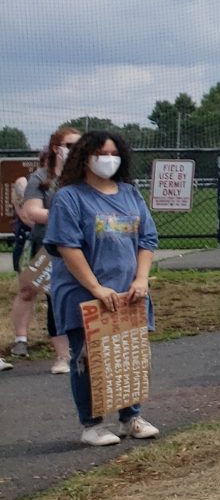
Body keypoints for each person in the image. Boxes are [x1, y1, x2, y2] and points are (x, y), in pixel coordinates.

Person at [43, 131, 161, 446]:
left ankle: (130, 417)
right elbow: (68, 247)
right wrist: (95, 287)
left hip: (128, 293)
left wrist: (141, 278)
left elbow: (147, 239)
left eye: (113, 153)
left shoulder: (130, 194)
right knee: (87, 357)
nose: (108, 159)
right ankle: (92, 424)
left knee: (128, 355)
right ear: (85, 158)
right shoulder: (69, 197)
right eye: (101, 153)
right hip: (84, 294)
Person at [10, 126, 78, 374]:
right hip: (49, 248)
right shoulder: (40, 179)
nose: (75, 151)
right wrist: (68, 215)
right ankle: (62, 355)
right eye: (70, 145)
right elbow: (31, 212)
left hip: (81, 247)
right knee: (53, 297)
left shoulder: (84, 177)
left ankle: (84, 350)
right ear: (56, 148)